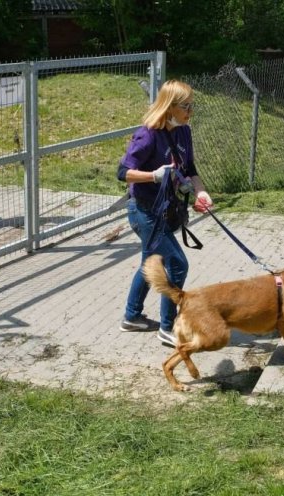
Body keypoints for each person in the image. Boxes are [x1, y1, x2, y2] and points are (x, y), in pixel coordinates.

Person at [116, 80, 213, 346]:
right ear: (170, 107)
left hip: (167, 211)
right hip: (144, 212)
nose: (190, 111)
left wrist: (201, 192)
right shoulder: (147, 134)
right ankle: (169, 328)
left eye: (192, 105)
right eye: (186, 106)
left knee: (152, 264)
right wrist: (153, 176)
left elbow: (190, 168)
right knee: (178, 263)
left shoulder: (184, 132)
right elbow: (123, 173)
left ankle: (132, 317)